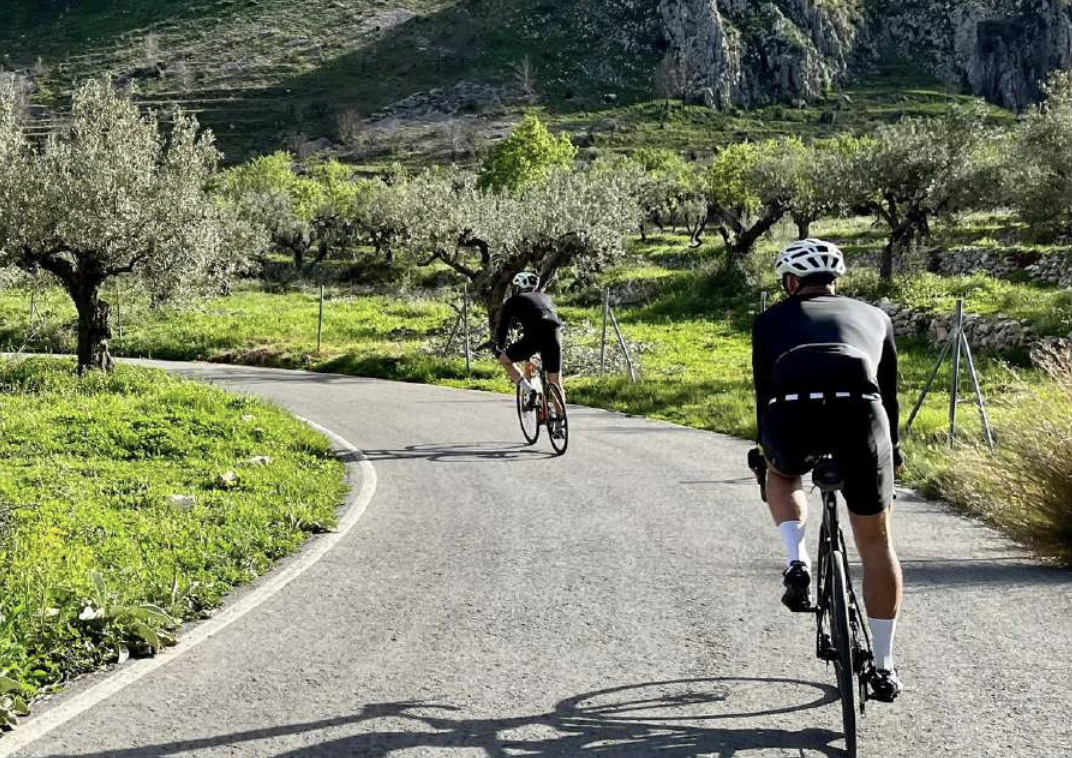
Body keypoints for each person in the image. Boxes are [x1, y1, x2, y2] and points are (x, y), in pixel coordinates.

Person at [751, 239, 904, 703]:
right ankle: (884, 666)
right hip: (862, 420)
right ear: (835, 280)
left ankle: (797, 559)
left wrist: (771, 449)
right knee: (877, 543)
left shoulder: (768, 321)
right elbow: (889, 398)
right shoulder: (877, 317)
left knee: (780, 474)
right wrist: (891, 453)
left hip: (792, 416)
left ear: (792, 283)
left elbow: (764, 394)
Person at [495, 272, 565, 405]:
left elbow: (503, 326)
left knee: (504, 360)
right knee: (555, 381)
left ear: (518, 287)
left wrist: (499, 345)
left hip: (534, 336)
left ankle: (529, 390)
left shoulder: (513, 301)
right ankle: (560, 421)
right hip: (554, 334)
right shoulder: (546, 297)